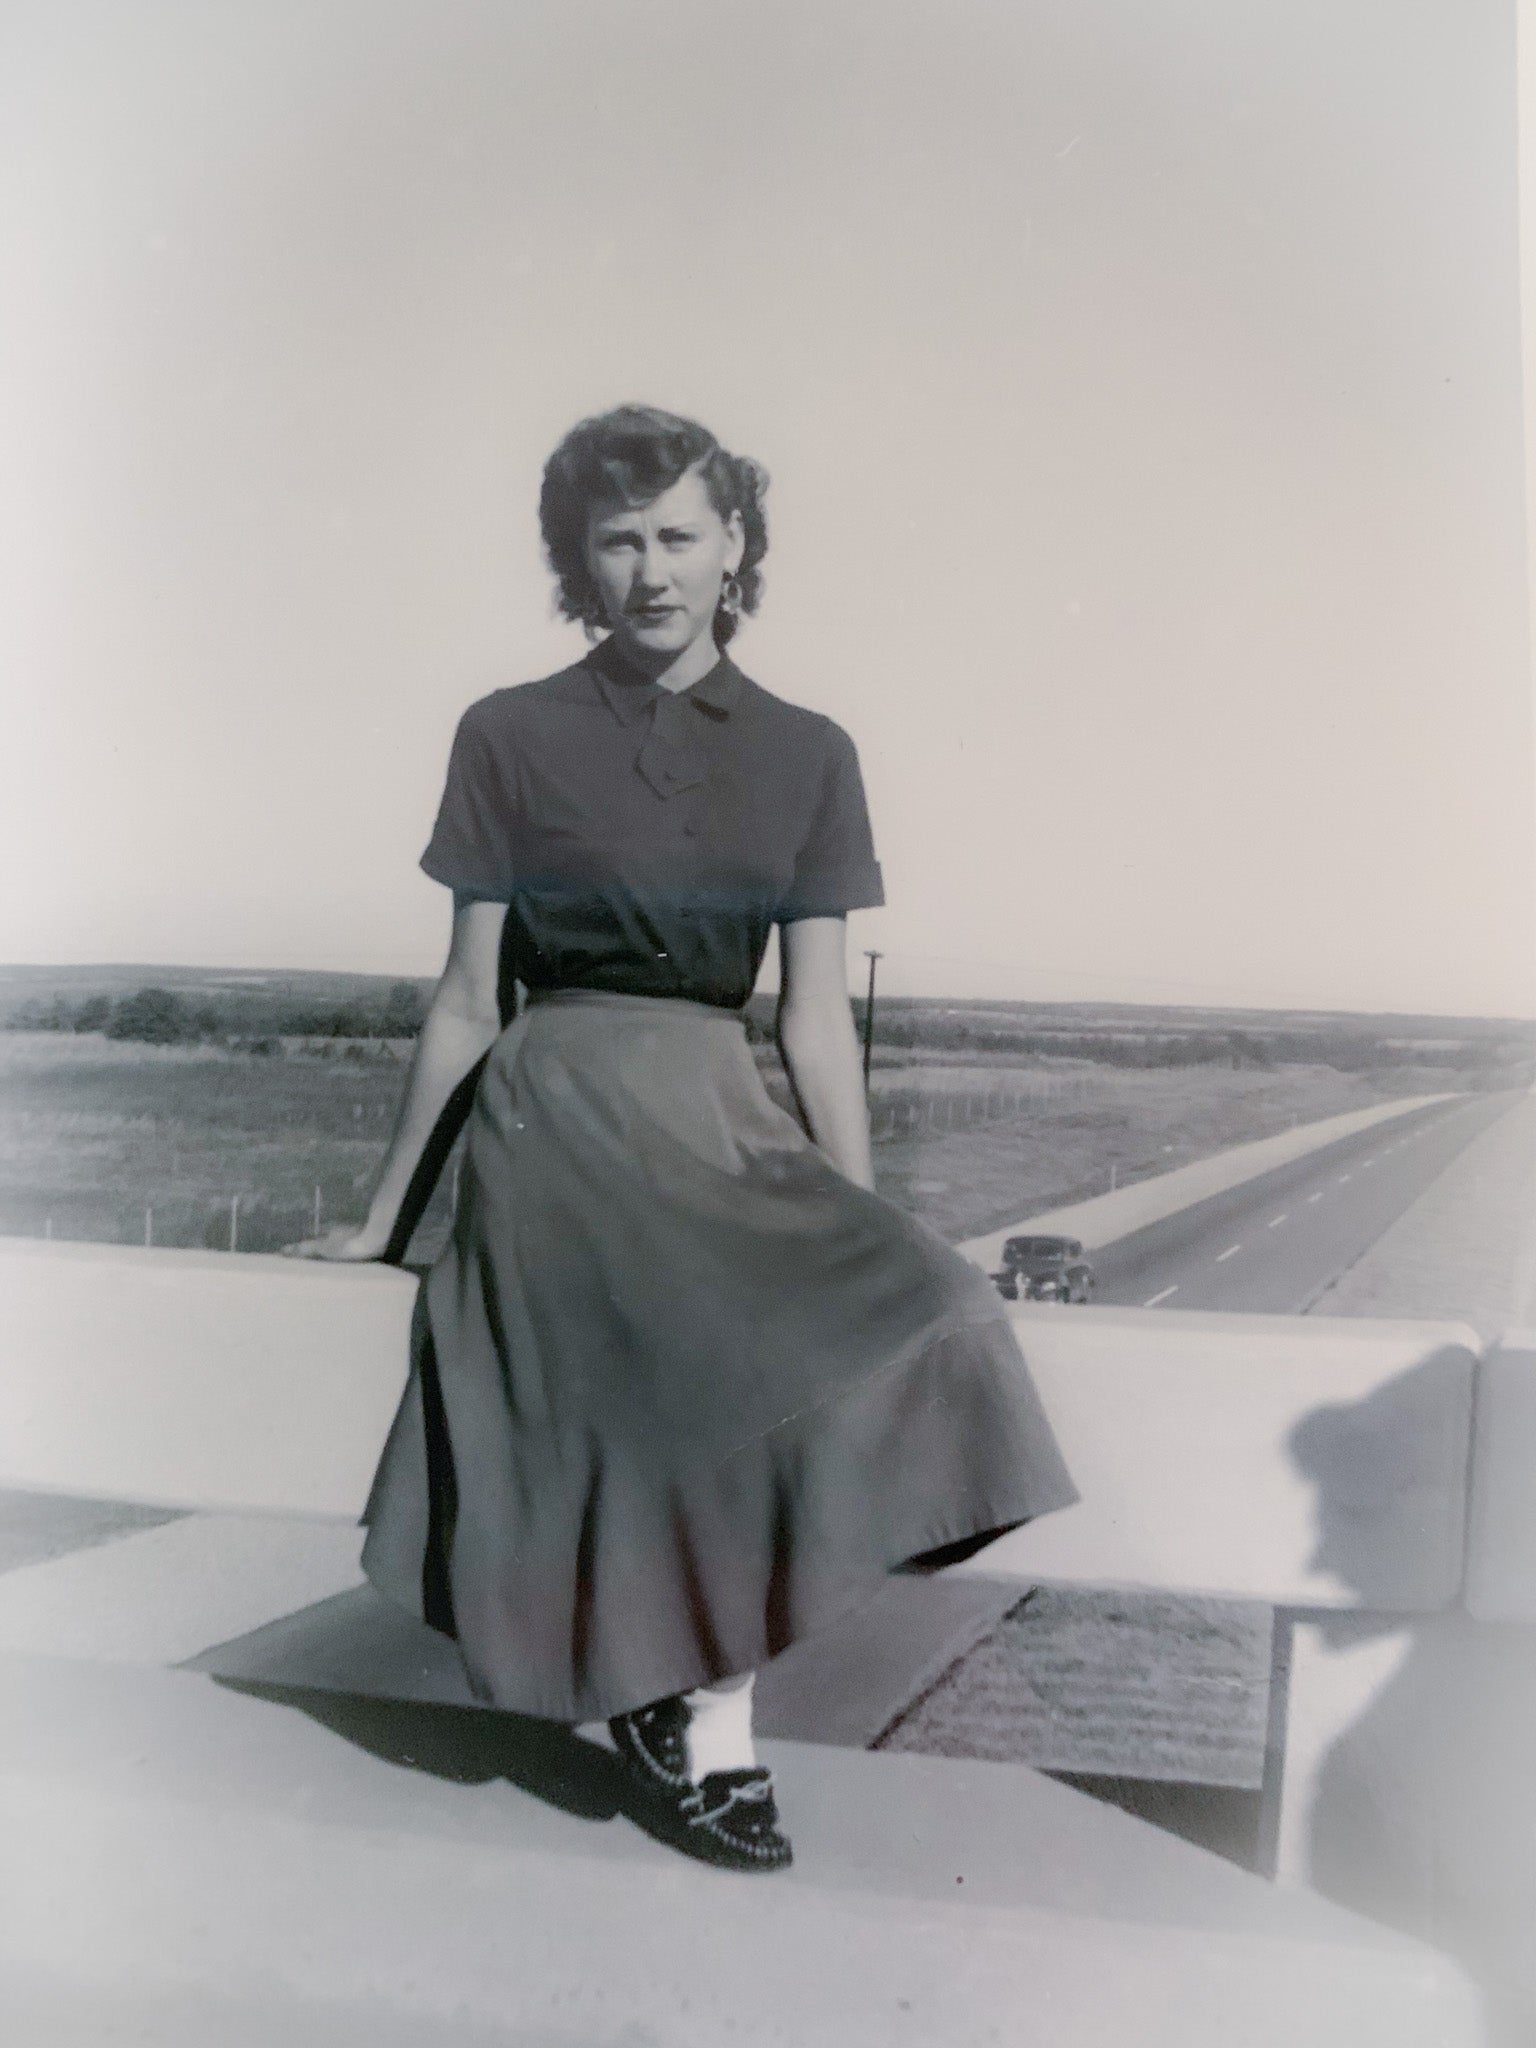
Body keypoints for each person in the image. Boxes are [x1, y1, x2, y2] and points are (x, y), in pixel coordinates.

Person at [283, 403, 1076, 1872]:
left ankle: (683, 1689)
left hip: (722, 1109)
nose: (648, 569)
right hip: (558, 1114)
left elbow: (816, 1021)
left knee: (941, 1313)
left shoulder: (811, 753)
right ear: (577, 559)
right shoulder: (509, 734)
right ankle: (712, 1726)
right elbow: (467, 998)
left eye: (678, 535)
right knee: (694, 1352)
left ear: (737, 549)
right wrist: (391, 1212)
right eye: (616, 539)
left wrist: (858, 1222)